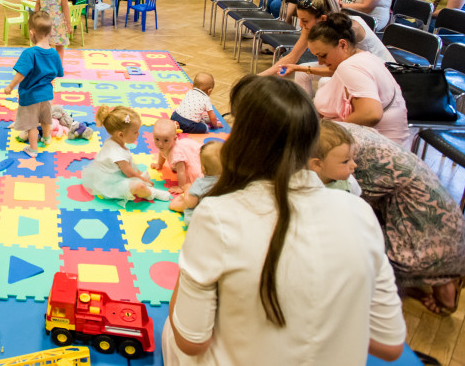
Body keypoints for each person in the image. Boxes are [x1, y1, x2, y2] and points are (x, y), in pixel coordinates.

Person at [162, 76, 406, 365]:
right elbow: (389, 346)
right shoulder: (360, 211)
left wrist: (191, 264)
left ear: (239, 140)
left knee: (170, 328)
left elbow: (190, 340)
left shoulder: (218, 215)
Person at [338, 121, 465, 316]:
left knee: (343, 242)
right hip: (451, 233)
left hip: (424, 245)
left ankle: (440, 276)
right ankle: (443, 277)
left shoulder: (344, 151)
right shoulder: (344, 134)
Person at [263, 0, 392, 96]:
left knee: (324, 82)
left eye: (305, 21)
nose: (301, 25)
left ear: (323, 18)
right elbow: (292, 57)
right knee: (302, 73)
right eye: (300, 19)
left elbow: (337, 69)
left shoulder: (349, 28)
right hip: (348, 67)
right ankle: (305, 115)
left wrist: (301, 68)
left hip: (380, 72)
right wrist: (259, 78)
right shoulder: (316, 25)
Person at [308, 14, 411, 147]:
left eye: (323, 55)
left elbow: (370, 114)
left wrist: (329, 132)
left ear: (343, 44)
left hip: (381, 148)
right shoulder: (363, 56)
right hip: (384, 143)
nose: (320, 62)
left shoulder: (350, 67)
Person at [3, 11, 65, 158]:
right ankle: (46, 137)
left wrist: (10, 86)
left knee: (31, 124)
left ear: (32, 33)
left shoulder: (29, 53)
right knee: (45, 118)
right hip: (47, 94)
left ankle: (33, 149)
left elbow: (21, 74)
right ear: (50, 32)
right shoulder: (55, 53)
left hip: (30, 95)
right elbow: (58, 72)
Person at [81, 106, 171, 203]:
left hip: (112, 174)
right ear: (121, 135)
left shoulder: (115, 141)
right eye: (135, 132)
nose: (138, 134)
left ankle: (144, 185)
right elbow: (129, 174)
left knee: (143, 175)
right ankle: (152, 193)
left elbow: (129, 167)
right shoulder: (117, 153)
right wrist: (143, 181)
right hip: (111, 183)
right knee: (139, 186)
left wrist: (140, 176)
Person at [168, 141, 221, 226]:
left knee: (175, 204)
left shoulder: (200, 183)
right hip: (219, 215)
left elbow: (190, 204)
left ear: (202, 168)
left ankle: (178, 206)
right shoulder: (227, 181)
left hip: (200, 218)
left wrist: (186, 189)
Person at [308, 120, 362, 195]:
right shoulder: (301, 187)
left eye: (352, 158)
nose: (354, 165)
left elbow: (356, 204)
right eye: (345, 161)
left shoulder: (349, 183)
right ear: (317, 164)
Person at [151, 117, 202, 194]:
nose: (160, 144)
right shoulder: (165, 146)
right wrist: (159, 164)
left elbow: (181, 171)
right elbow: (161, 154)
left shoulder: (177, 153)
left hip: (194, 156)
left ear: (174, 139)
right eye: (157, 139)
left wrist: (181, 187)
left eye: (165, 140)